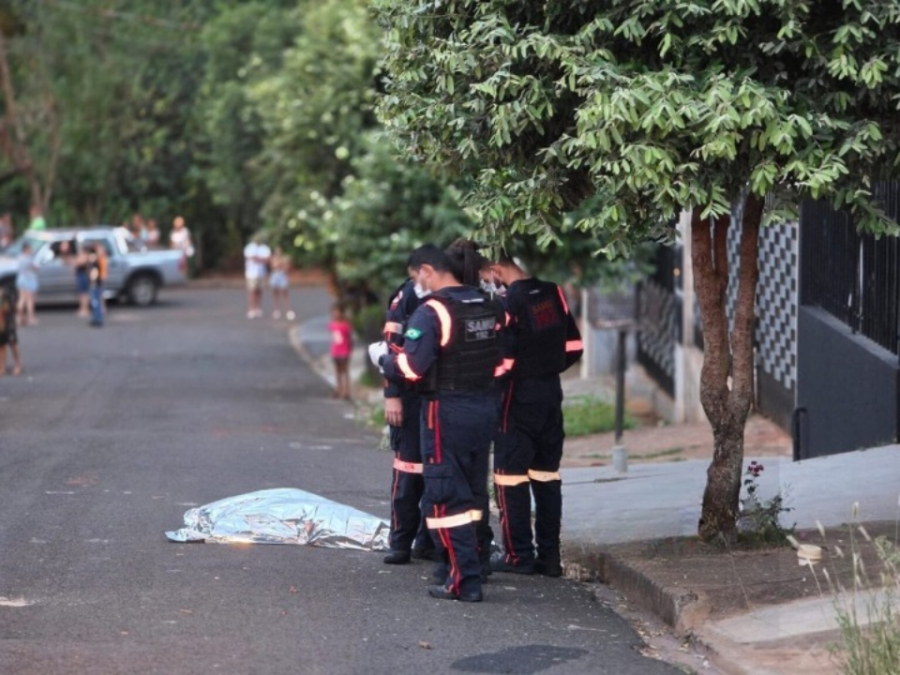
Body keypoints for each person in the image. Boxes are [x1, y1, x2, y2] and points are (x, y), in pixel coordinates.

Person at [376, 245, 504, 603]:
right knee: (475, 490)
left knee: (446, 495)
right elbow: (502, 362)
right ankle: (470, 564)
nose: (417, 283)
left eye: (418, 276)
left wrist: (385, 361)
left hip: (445, 410)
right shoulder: (486, 304)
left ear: (429, 271)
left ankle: (462, 580)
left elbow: (411, 368)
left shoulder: (434, 312)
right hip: (484, 407)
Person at [485, 255, 584, 578]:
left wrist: (489, 384)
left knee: (509, 476)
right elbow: (574, 346)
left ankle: (519, 556)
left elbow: (505, 359)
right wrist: (548, 367)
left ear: (496, 268)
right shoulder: (553, 292)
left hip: (516, 398)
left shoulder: (508, 302)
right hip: (550, 393)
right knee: (546, 474)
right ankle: (550, 557)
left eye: (488, 274)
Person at [379, 248, 437, 566]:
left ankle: (427, 541)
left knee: (436, 471)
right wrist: (392, 394)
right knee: (408, 469)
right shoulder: (406, 296)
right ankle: (401, 541)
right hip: (410, 395)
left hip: (440, 397)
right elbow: (391, 347)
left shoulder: (450, 296)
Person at [243, 235, 271, 319]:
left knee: (259, 291)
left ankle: (258, 308)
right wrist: (261, 259)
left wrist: (258, 259)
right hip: (251, 273)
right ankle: (251, 309)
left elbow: (267, 259)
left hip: (261, 273)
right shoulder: (249, 248)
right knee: (252, 291)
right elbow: (251, 257)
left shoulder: (264, 248)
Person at [329, 304, 352, 400]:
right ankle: (338, 389)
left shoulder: (345, 325)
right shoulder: (332, 325)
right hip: (335, 351)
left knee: (344, 371)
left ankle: (346, 390)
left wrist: (349, 349)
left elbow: (348, 338)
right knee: (338, 371)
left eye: (337, 311)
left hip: (344, 351)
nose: (335, 314)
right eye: (334, 312)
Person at [269, 247, 295, 321]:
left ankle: (288, 310)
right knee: (275, 293)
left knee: (285, 293)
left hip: (282, 275)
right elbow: (274, 266)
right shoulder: (273, 258)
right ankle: (276, 310)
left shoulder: (285, 258)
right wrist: (280, 265)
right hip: (275, 275)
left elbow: (287, 267)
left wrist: (282, 265)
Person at [15, 242, 38, 326]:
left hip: (21, 279)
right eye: (30, 248)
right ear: (26, 249)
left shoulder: (20, 257)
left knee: (21, 299)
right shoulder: (28, 258)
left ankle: (18, 317)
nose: (31, 250)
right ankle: (31, 317)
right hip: (28, 279)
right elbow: (34, 267)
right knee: (30, 300)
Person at [0, 285, 21, 376]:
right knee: (1, 345)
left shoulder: (6, 292)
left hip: (8, 322)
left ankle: (17, 364)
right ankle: (2, 366)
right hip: (1, 323)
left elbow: (12, 307)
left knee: (12, 343)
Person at [88, 244, 108, 327]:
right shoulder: (100, 259)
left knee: (96, 302)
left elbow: (94, 272)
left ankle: (98, 319)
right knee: (96, 301)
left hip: (96, 283)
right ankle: (96, 318)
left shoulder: (97, 260)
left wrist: (93, 281)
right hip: (98, 283)